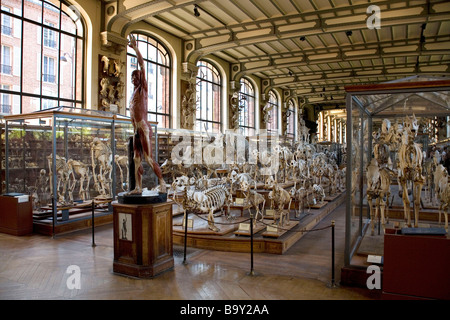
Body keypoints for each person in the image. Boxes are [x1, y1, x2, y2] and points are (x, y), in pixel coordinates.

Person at [127, 34, 166, 194]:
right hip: (136, 129)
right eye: (131, 77)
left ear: (140, 78)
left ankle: (163, 183)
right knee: (137, 160)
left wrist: (136, 49)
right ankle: (138, 187)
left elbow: (142, 64)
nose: (133, 79)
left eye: (135, 76)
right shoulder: (133, 94)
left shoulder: (143, 89)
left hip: (143, 127)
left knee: (149, 159)